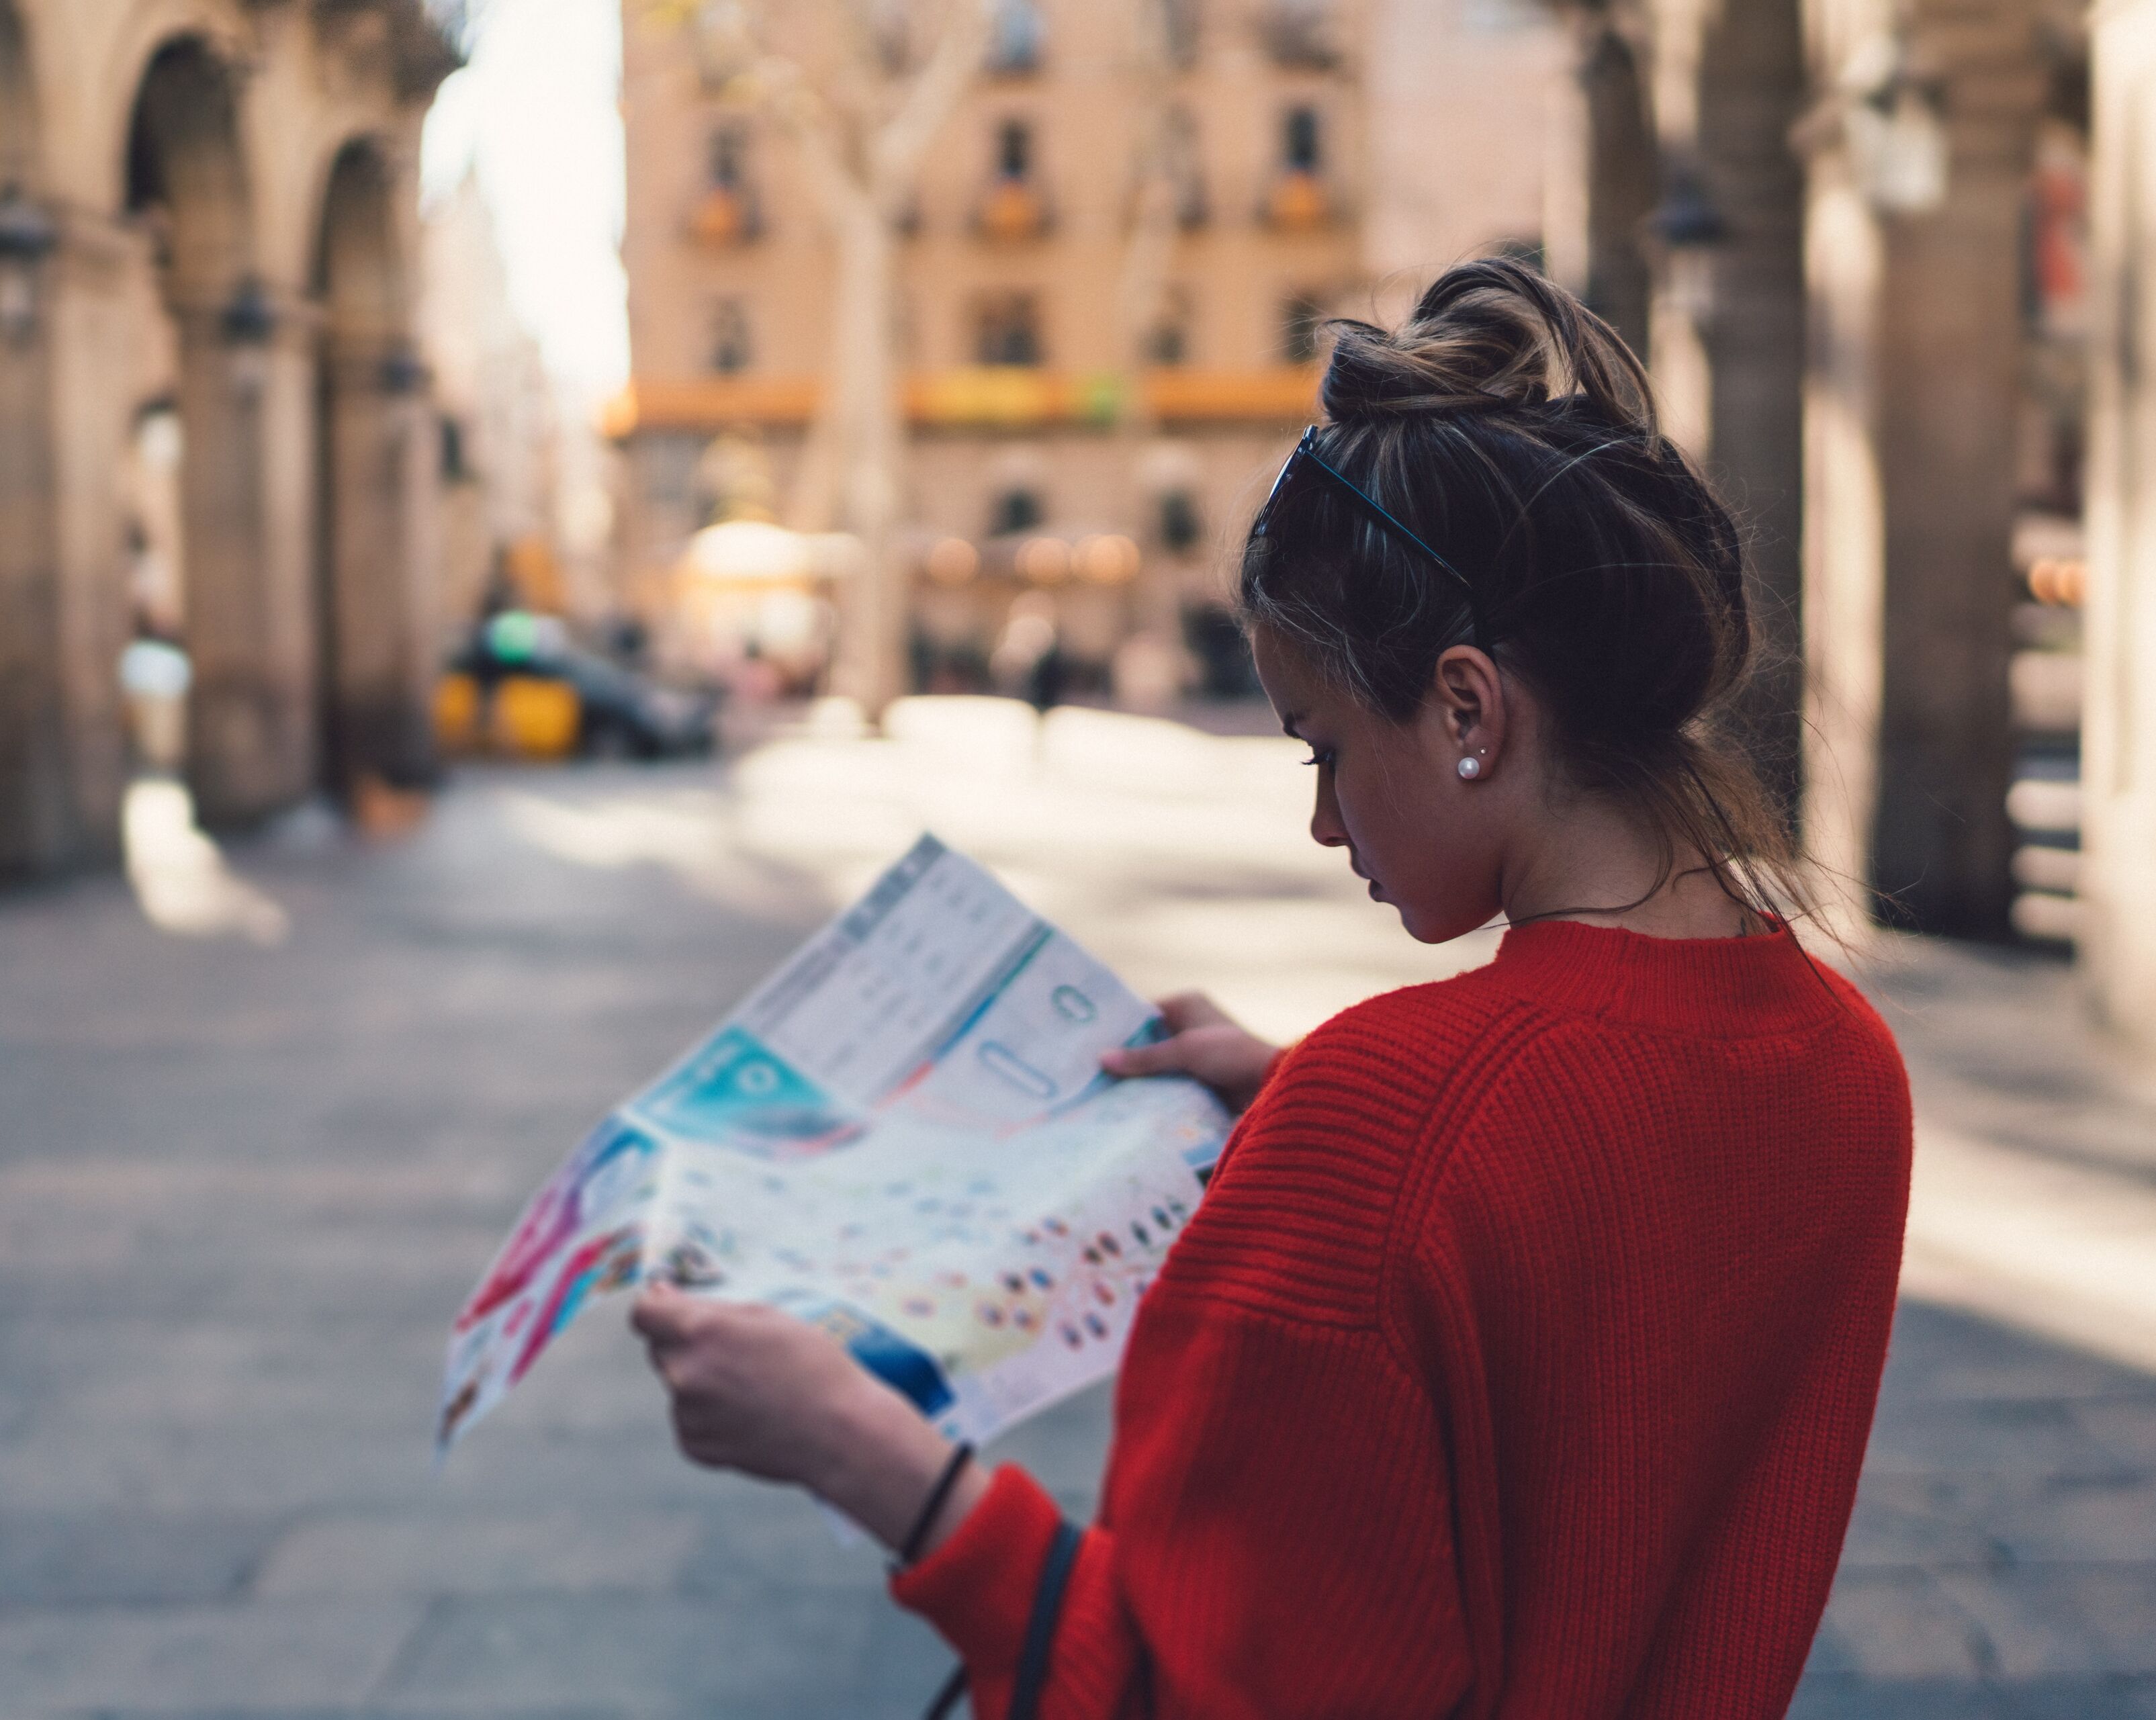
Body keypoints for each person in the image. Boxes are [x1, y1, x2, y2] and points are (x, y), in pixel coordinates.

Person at [629, 259, 1914, 1719]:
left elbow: (1194, 1690)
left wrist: (862, 1455)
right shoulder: (1845, 1057)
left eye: (1321, 746)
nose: (1321, 821)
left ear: (1467, 706)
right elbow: (1604, 1229)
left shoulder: (1387, 1124)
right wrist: (1314, 1106)